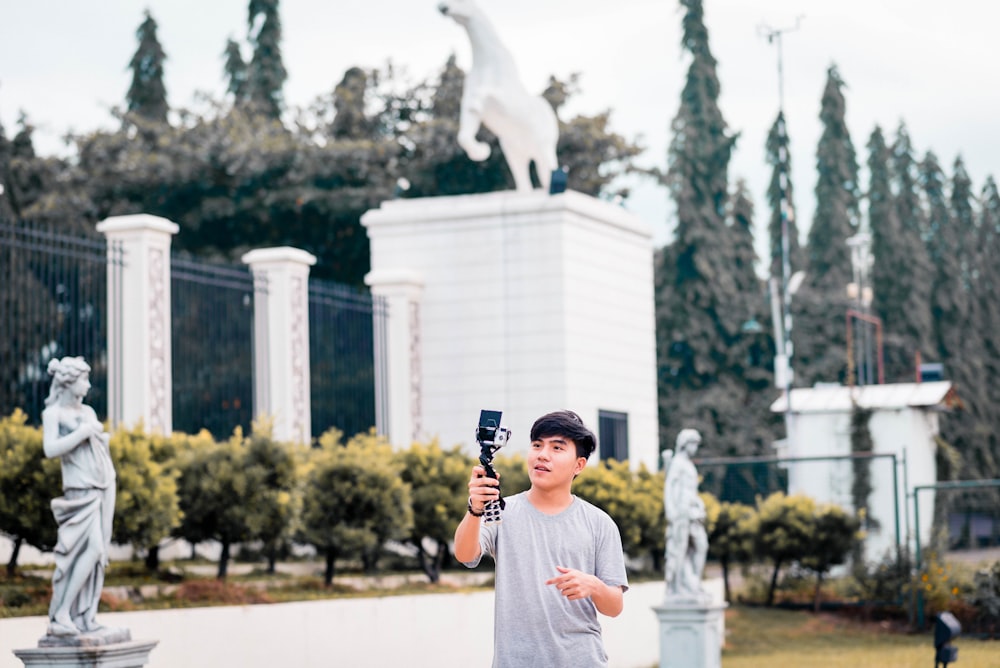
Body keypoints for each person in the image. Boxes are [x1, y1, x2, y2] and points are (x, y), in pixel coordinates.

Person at [454, 410, 628, 668]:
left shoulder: (599, 523)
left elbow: (614, 607)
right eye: (537, 445)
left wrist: (593, 586)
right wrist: (475, 508)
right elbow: (465, 554)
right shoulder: (502, 511)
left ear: (579, 465)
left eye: (557, 448)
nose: (542, 454)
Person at [41, 356, 116, 636]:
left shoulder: (88, 412)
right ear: (69, 382)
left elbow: (98, 447)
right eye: (84, 379)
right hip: (79, 491)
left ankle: (85, 616)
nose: (88, 384)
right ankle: (61, 613)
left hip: (103, 484)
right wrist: (83, 433)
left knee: (99, 554)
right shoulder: (54, 414)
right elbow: (50, 449)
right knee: (88, 549)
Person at [662, 428, 708, 599]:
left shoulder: (688, 464)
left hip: (692, 512)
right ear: (684, 444)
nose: (695, 447)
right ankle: (677, 587)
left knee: (700, 546)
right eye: (693, 443)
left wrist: (699, 504)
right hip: (681, 512)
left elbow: (691, 490)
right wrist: (671, 511)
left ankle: (693, 584)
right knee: (679, 550)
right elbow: (670, 487)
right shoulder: (677, 463)